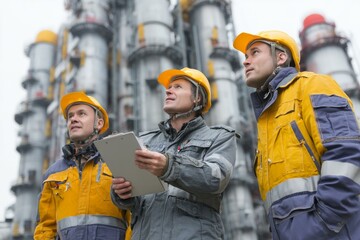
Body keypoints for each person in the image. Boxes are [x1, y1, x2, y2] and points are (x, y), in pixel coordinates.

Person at [233, 30, 360, 239]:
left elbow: (345, 153)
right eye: (245, 56)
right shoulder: (266, 119)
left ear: (281, 57)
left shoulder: (312, 85)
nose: (246, 62)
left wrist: (323, 221)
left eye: (254, 52)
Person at [111, 67, 238, 239]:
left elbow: (216, 178)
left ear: (197, 97)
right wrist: (122, 193)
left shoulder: (219, 136)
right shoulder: (146, 141)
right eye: (168, 87)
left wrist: (169, 166)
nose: (168, 90)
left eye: (177, 87)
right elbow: (137, 203)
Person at [34, 92, 131, 240]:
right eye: (70, 116)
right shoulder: (53, 173)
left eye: (81, 114)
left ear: (98, 123)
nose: (74, 119)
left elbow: (135, 218)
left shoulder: (116, 161)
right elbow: (45, 228)